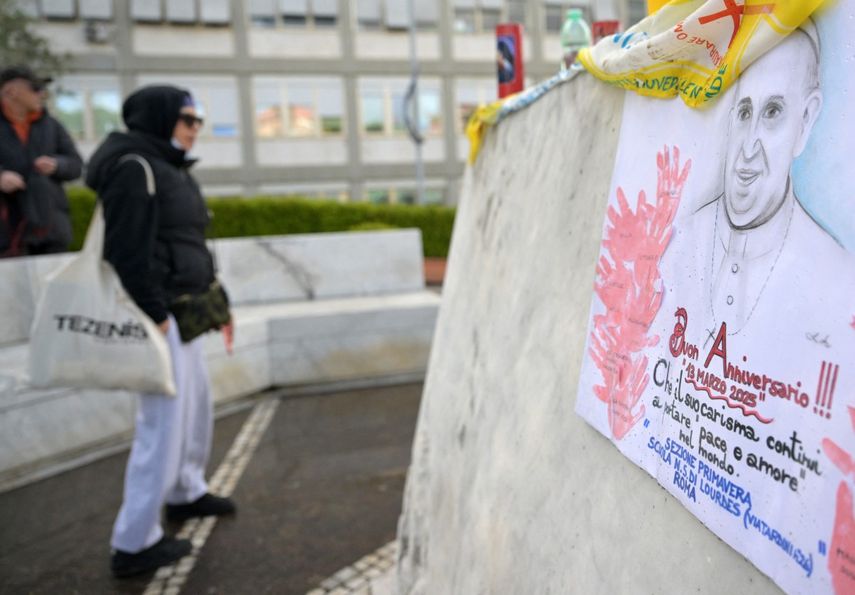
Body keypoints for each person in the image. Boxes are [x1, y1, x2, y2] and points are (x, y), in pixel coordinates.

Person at [85, 85, 235, 579]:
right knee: (161, 427)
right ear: (160, 118)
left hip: (184, 311)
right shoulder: (135, 167)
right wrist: (156, 311)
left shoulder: (165, 167)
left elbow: (186, 241)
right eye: (187, 119)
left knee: (194, 411)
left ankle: (186, 492)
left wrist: (216, 305)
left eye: (198, 119)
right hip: (161, 314)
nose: (195, 128)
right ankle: (133, 541)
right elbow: (127, 249)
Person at [0, 66, 82, 256]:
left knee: (51, 286)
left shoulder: (51, 125)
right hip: (8, 236)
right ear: (11, 91)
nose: (42, 94)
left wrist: (57, 165)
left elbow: (76, 165)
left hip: (52, 234)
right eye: (35, 88)